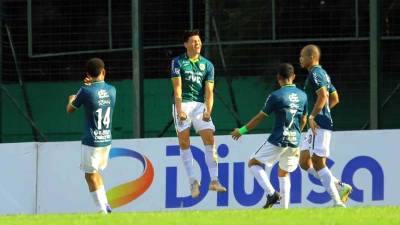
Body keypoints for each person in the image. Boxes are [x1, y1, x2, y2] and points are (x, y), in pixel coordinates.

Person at [231, 63, 308, 209]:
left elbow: (260, 117)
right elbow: (303, 119)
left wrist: (241, 131)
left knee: (253, 163)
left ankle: (272, 193)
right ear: (294, 77)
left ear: (278, 77)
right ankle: (284, 211)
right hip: (295, 140)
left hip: (278, 139)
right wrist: (297, 135)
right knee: (283, 173)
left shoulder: (276, 96)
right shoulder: (303, 96)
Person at [170, 29, 227, 198]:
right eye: (193, 41)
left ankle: (214, 180)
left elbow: (209, 92)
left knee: (210, 138)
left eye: (199, 41)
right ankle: (193, 181)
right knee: (184, 141)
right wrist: (180, 110)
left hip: (199, 106)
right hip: (183, 105)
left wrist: (208, 110)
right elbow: (177, 89)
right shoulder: (178, 62)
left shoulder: (208, 65)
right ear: (186, 44)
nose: (197, 44)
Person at [299, 44, 352, 207]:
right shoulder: (321, 74)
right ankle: (339, 186)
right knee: (303, 161)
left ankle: (337, 201)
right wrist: (322, 111)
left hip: (318, 123)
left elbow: (323, 96)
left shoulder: (316, 73)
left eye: (302, 56)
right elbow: (334, 98)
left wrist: (315, 115)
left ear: (312, 57)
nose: (300, 59)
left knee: (317, 161)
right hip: (315, 123)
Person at [66, 58, 116, 213]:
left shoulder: (85, 91)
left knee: (89, 176)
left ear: (88, 74)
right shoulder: (113, 90)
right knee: (95, 173)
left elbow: (70, 109)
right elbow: (99, 93)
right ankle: (105, 204)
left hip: (91, 140)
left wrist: (71, 98)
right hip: (106, 139)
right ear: (103, 72)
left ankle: (102, 211)